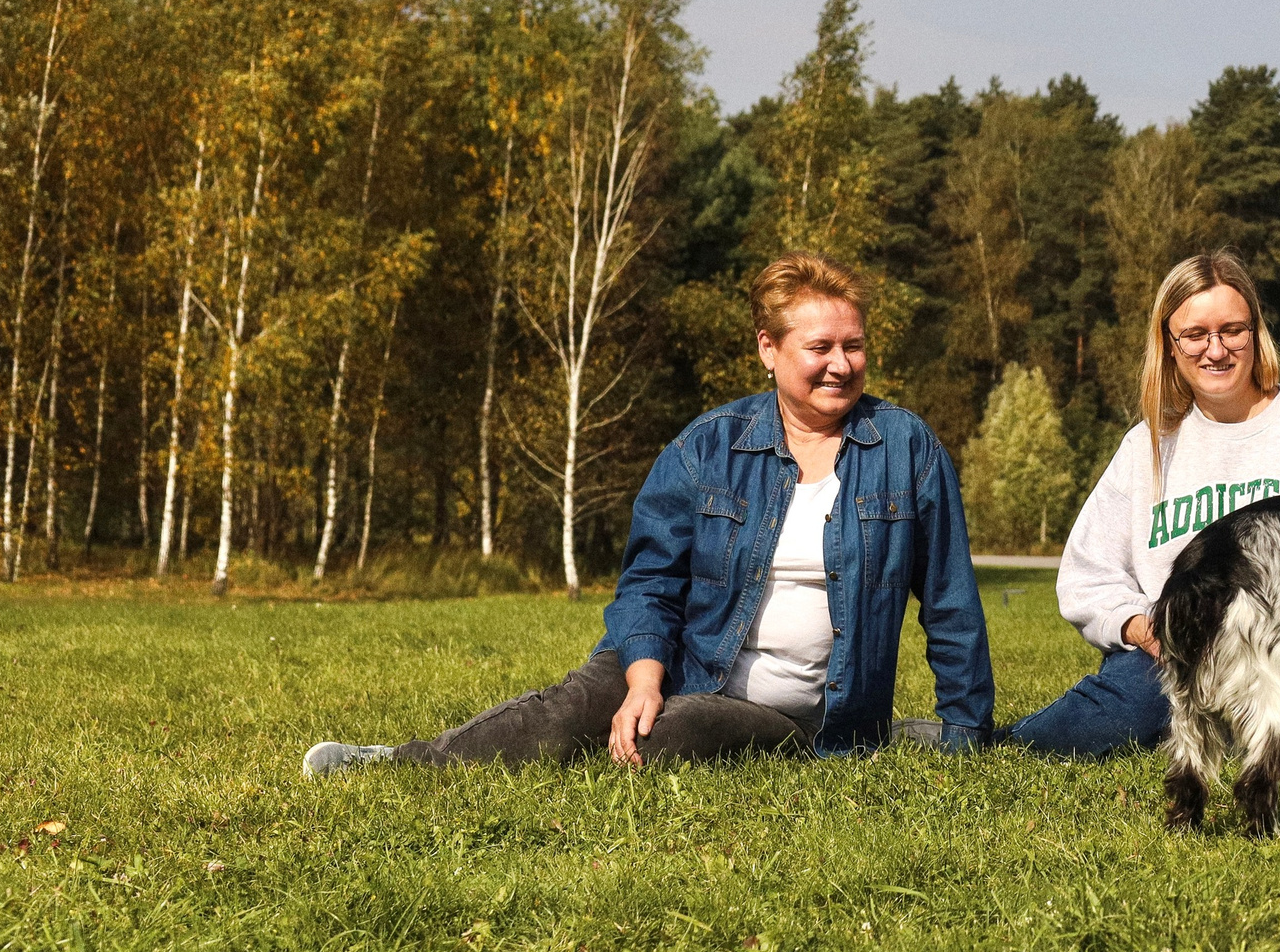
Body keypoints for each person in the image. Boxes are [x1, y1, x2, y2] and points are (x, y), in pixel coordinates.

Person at [302, 252, 993, 775]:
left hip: (788, 714)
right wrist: (642, 678)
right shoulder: (707, 447)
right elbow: (649, 583)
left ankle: (895, 732)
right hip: (680, 657)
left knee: (667, 736)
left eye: (854, 345)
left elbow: (950, 602)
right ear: (768, 348)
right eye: (820, 348)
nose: (841, 364)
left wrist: (967, 735)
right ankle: (398, 761)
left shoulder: (906, 448)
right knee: (572, 711)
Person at [1010, 249, 1280, 757]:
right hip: (1175, 654)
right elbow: (1087, 575)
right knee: (1127, 708)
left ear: (1256, 332)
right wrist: (1142, 627)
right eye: (1195, 335)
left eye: (1232, 330)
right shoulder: (1147, 445)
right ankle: (993, 742)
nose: (1215, 351)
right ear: (1170, 346)